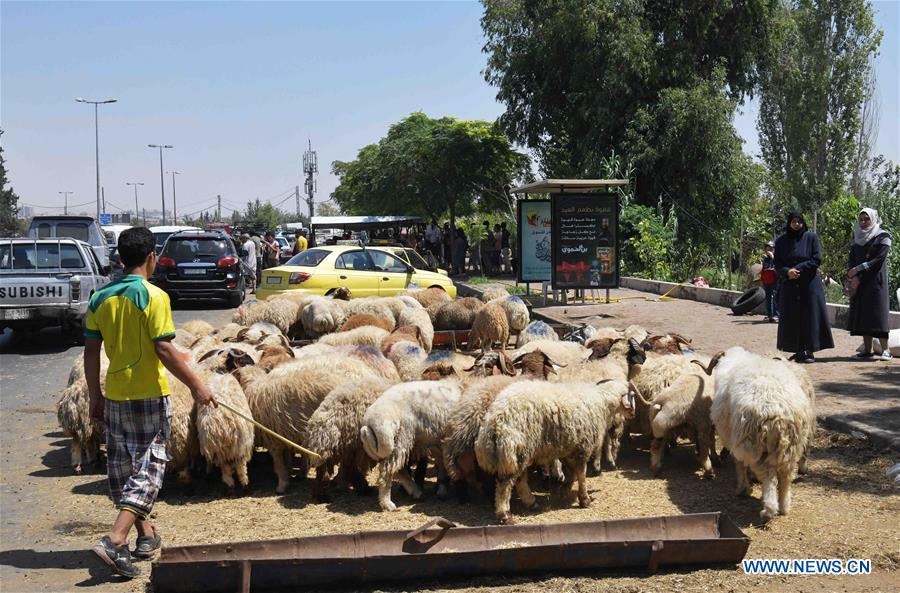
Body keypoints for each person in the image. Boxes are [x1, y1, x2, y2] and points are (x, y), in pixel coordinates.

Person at [85, 227, 216, 579]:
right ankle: (115, 539)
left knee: (125, 470)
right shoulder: (153, 296)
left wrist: (95, 396)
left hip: (115, 395)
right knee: (149, 470)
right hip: (148, 396)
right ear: (151, 257)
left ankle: (145, 536)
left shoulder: (100, 297)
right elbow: (164, 348)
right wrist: (198, 385)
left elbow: (91, 350)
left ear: (119, 257)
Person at [774, 212, 834, 363]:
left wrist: (797, 269)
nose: (796, 224)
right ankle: (798, 350)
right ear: (789, 223)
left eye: (799, 221)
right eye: (793, 221)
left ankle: (809, 350)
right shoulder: (781, 241)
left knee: (810, 316)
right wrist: (787, 272)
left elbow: (816, 259)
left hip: (809, 284)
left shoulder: (811, 237)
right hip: (790, 284)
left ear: (803, 223)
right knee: (793, 317)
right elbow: (777, 263)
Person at [847, 208, 893, 360]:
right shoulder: (857, 237)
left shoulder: (883, 236)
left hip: (876, 282)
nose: (863, 222)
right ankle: (867, 350)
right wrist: (853, 276)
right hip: (860, 283)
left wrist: (858, 270)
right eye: (861, 219)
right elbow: (852, 258)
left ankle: (886, 350)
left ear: (873, 219)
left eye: (866, 219)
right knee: (864, 315)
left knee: (878, 315)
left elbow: (878, 259)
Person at [761, 240, 779, 323]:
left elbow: (778, 267)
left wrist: (772, 257)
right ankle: (770, 315)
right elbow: (763, 270)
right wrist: (762, 280)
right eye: (767, 248)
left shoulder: (777, 257)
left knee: (775, 298)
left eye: (771, 248)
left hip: (775, 281)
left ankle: (776, 315)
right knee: (768, 298)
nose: (769, 250)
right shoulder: (765, 259)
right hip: (767, 282)